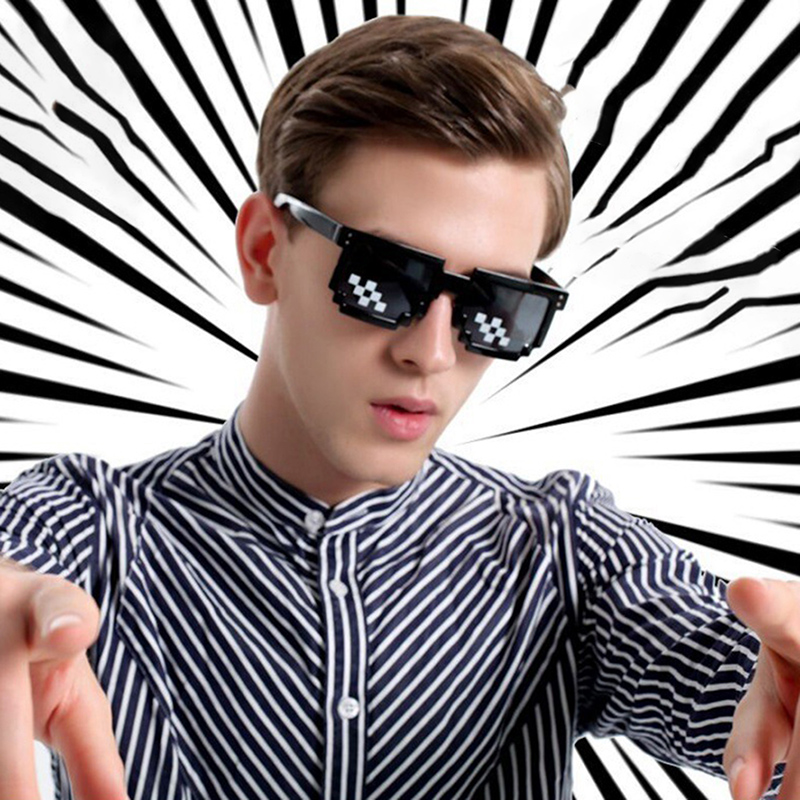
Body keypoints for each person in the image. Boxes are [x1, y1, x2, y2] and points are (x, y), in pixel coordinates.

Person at [0, 13, 792, 800]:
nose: (433, 352)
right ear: (265, 251)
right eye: (386, 278)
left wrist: (783, 686)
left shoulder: (564, 550)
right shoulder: (92, 524)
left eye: (496, 304)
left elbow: (731, 673)